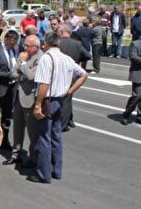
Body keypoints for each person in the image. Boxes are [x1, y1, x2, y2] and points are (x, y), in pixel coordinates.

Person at [30, 31, 88, 183]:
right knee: (56, 136)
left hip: (47, 100)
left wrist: (38, 104)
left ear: (45, 44)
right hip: (59, 100)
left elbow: (43, 84)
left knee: (43, 137)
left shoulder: (46, 59)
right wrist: (69, 91)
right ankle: (56, 170)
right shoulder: (66, 58)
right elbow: (83, 75)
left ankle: (44, 173)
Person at [4, 35, 43, 167]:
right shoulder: (23, 55)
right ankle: (16, 154)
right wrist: (24, 70)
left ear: (36, 47)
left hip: (30, 98)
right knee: (17, 128)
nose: (24, 47)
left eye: (27, 45)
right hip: (18, 97)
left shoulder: (41, 58)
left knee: (32, 131)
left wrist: (24, 66)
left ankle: (33, 158)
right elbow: (13, 72)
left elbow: (32, 76)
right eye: (24, 45)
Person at [59, 24, 90, 131]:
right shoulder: (77, 44)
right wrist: (77, 60)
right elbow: (88, 55)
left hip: (58, 73)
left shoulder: (57, 43)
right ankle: (68, 121)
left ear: (62, 32)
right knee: (67, 98)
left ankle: (62, 123)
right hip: (72, 73)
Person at [120, 26, 141, 126]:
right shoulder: (136, 43)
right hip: (139, 74)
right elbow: (133, 57)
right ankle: (126, 115)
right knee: (137, 96)